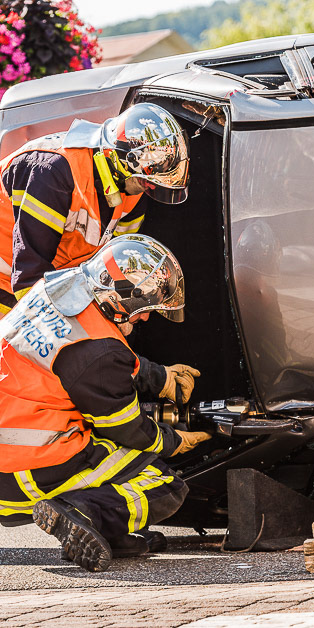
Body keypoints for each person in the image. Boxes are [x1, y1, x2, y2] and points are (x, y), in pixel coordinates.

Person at [0, 234, 212, 572]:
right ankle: (84, 513)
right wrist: (173, 441)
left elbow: (93, 360)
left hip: (16, 448)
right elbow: (127, 429)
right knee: (163, 484)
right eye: (142, 308)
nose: (144, 318)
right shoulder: (97, 353)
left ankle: (112, 535)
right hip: (26, 467)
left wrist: (160, 377)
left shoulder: (61, 288)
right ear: (120, 298)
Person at [0, 102, 200, 409]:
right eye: (146, 182)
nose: (147, 191)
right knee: (26, 379)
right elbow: (31, 285)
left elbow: (116, 270)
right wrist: (142, 370)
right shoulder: (53, 171)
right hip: (13, 284)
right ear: (121, 161)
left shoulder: (132, 193)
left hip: (48, 279)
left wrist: (122, 318)